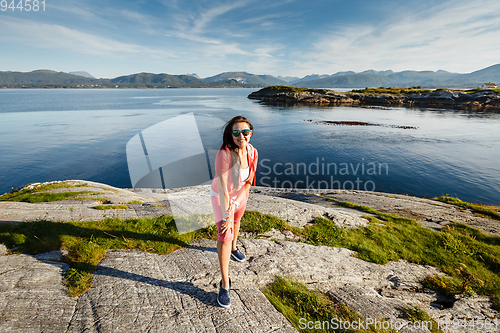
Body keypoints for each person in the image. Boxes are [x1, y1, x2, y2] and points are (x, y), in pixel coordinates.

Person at [210, 116, 258, 308]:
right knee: (224, 234)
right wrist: (227, 214)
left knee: (237, 221)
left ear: (250, 132)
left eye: (245, 132)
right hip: (220, 196)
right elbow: (222, 188)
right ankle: (225, 282)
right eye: (236, 132)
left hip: (239, 195)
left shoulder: (253, 152)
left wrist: (237, 204)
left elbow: (248, 182)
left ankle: (234, 249)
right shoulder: (225, 154)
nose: (241, 136)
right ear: (231, 134)